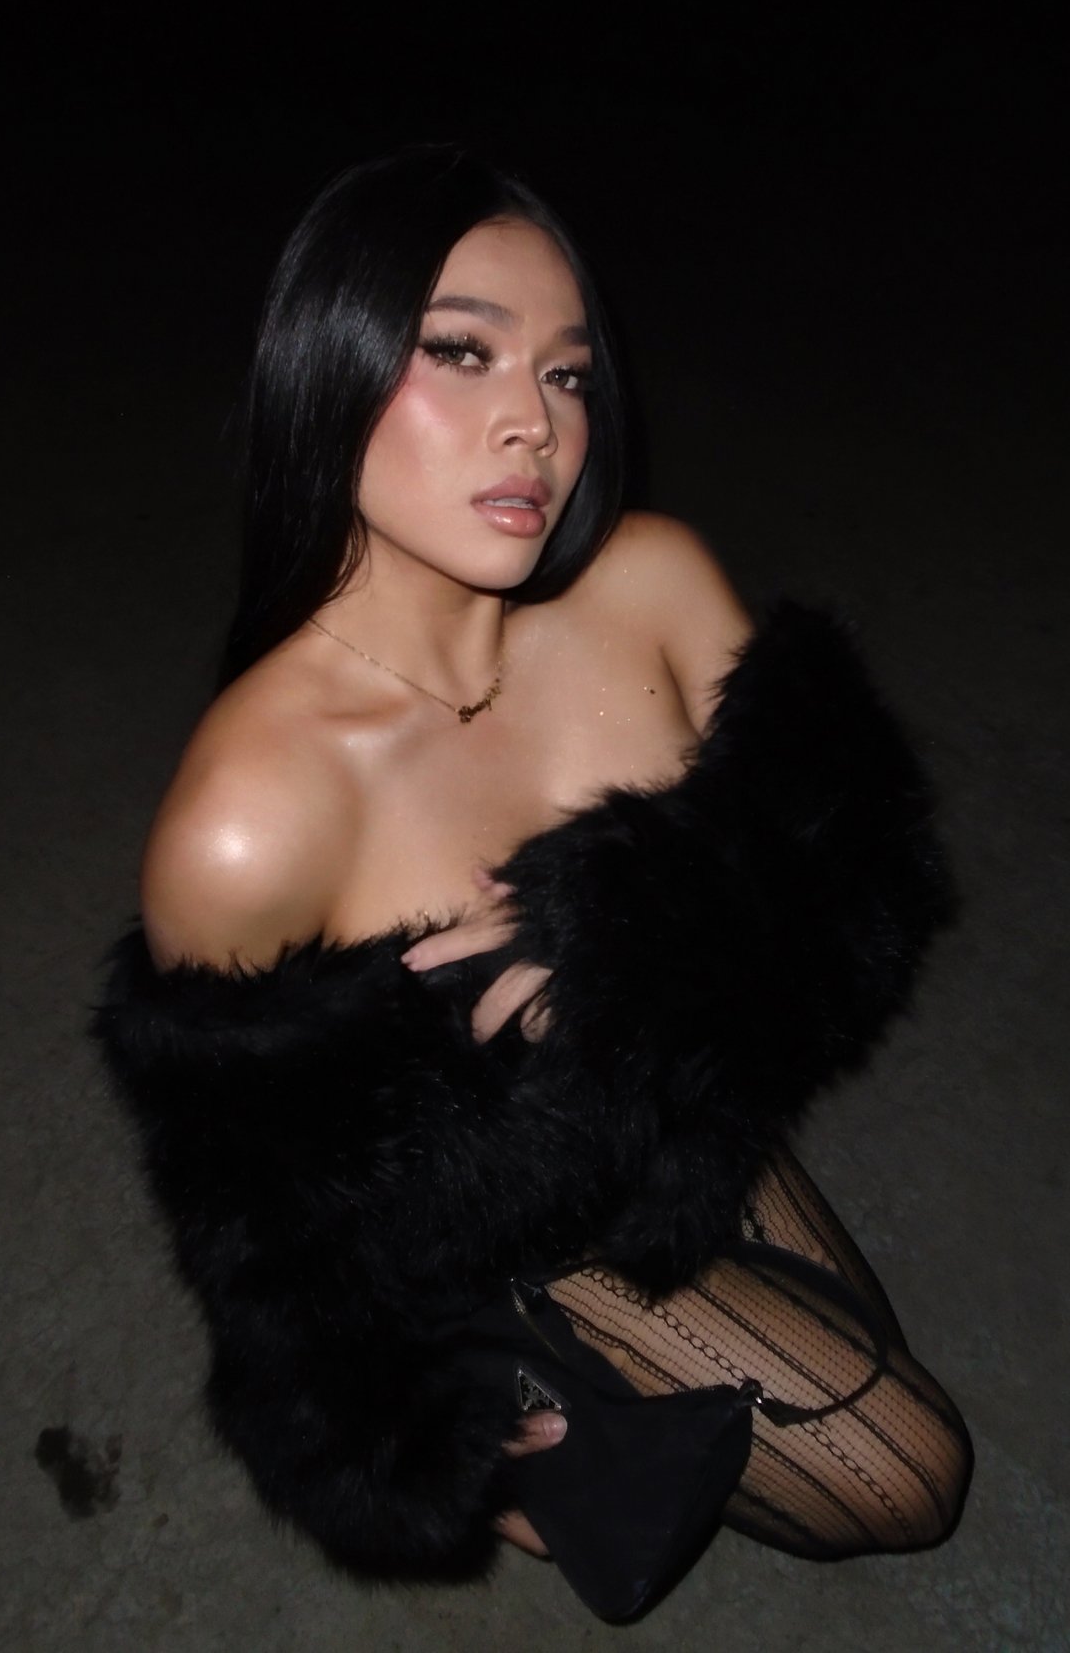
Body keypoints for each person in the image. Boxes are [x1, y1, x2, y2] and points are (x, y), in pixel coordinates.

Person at [95, 147, 971, 1593]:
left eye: (566, 374)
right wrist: (415, 1455)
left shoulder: (652, 581)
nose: (535, 423)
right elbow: (264, 1244)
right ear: (327, 367)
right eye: (461, 352)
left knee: (862, 1350)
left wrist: (639, 934)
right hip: (519, 1232)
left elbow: (865, 864)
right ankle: (542, 1342)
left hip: (681, 1105)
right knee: (907, 1467)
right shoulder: (250, 818)